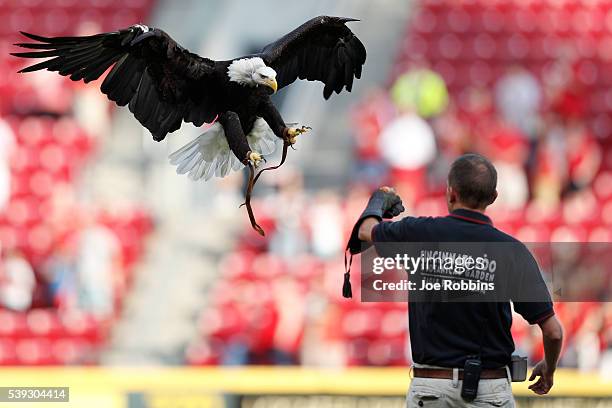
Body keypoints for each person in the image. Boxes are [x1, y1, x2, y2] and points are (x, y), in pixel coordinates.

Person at [349, 154, 563, 407]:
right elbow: (553, 331)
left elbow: (364, 232)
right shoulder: (512, 251)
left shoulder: (420, 233)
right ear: (493, 197)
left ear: (450, 193)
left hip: (431, 389)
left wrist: (378, 201)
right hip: (490, 389)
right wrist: (548, 369)